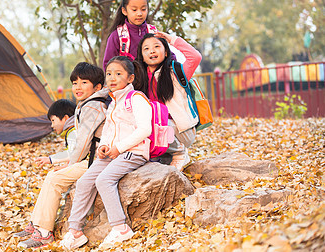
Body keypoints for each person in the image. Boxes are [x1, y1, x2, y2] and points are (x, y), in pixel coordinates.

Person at [60, 56, 152, 250]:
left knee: (104, 180)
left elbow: (145, 130)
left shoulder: (136, 99)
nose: (112, 78)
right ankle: (75, 231)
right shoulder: (113, 102)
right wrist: (105, 146)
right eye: (109, 73)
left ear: (130, 78)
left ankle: (121, 228)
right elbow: (109, 131)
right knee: (85, 180)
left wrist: (119, 147)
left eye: (118, 74)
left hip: (133, 152)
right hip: (113, 152)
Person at [15, 62, 108, 249]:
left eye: (84, 83)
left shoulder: (94, 106)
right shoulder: (88, 104)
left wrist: (70, 165)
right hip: (89, 159)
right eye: (75, 83)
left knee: (55, 179)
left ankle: (44, 233)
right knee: (52, 176)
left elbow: (83, 143)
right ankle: (36, 224)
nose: (77, 87)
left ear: (97, 87)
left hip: (97, 160)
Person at [135, 32, 202, 170]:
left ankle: (179, 152)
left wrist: (171, 39)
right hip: (157, 132)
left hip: (181, 131)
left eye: (156, 46)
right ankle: (163, 154)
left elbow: (195, 57)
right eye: (146, 48)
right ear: (141, 56)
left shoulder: (176, 72)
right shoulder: (139, 79)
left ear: (166, 52)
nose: (151, 51)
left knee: (155, 121)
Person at [102, 0, 176, 70]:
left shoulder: (154, 32)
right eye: (134, 10)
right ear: (124, 11)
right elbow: (108, 65)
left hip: (154, 81)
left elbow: (169, 55)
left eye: (143, 9)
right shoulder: (117, 36)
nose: (139, 13)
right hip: (128, 81)